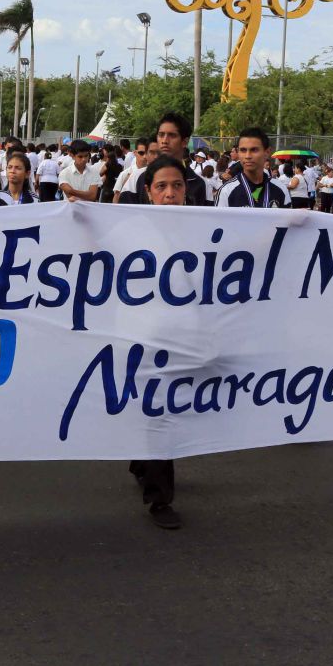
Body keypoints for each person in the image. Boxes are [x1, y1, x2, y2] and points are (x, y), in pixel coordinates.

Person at [127, 154, 192, 531]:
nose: (171, 193)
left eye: (178, 186)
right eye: (162, 187)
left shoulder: (203, 227)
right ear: (149, 192)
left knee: (167, 410)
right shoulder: (131, 228)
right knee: (158, 409)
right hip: (142, 335)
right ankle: (159, 498)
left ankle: (142, 463)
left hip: (184, 334)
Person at [121, 112, 209, 207]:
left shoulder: (200, 183)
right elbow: (125, 216)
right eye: (161, 135)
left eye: (172, 135)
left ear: (184, 142)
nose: (164, 141)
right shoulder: (137, 178)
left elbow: (207, 219)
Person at [215, 127, 290, 208]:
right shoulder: (226, 191)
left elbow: (289, 220)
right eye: (243, 150)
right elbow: (218, 220)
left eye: (254, 150)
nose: (247, 156)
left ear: (267, 152)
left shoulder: (280, 189)